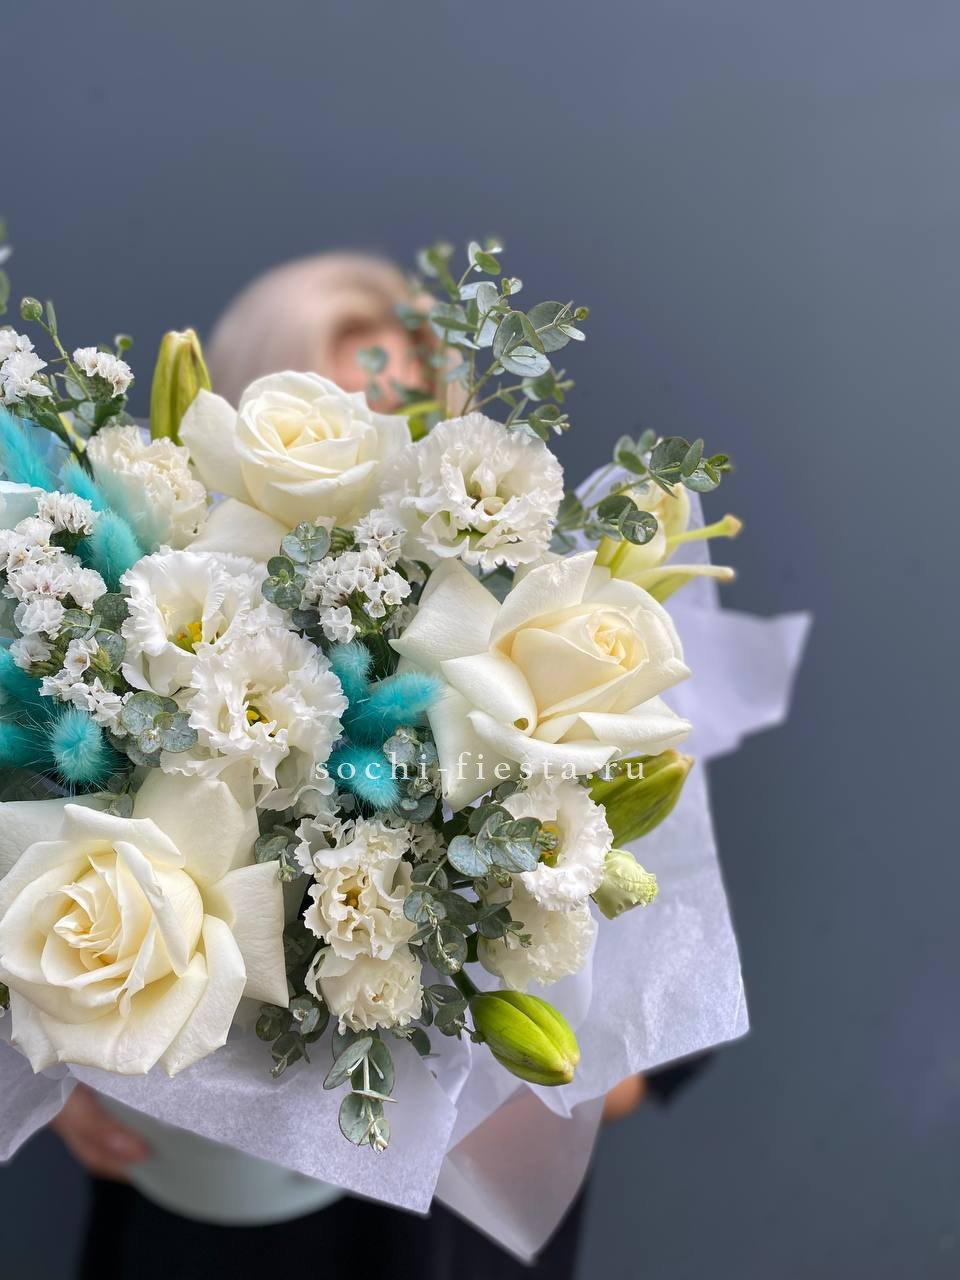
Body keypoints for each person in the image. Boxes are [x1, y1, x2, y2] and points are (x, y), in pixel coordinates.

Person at [55, 251, 701, 1279]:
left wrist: (508, 1054)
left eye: (403, 412)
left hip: (445, 1227)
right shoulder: (148, 638)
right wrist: (60, 1079)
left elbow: (632, 1060)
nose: (375, 449)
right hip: (215, 1225)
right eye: (338, 411)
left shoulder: (532, 647)